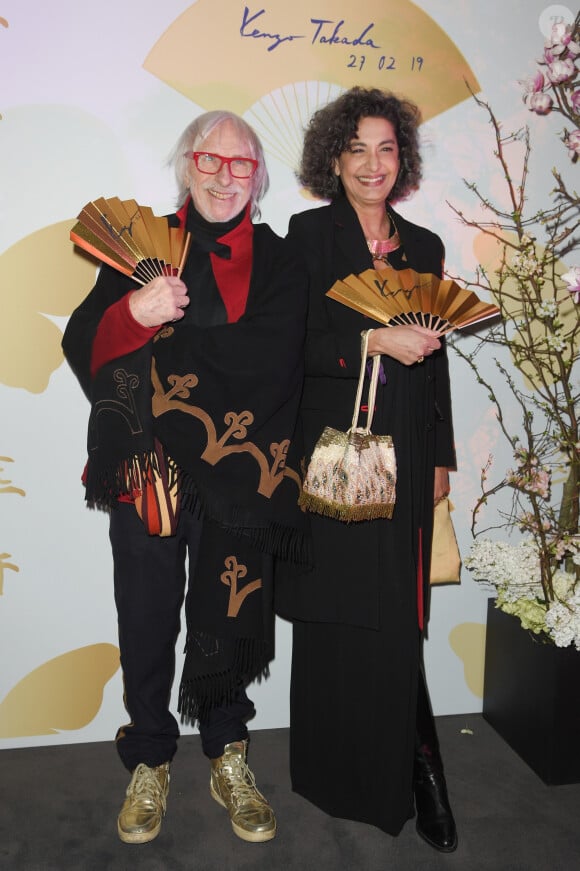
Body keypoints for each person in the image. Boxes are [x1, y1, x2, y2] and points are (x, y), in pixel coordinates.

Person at [62, 111, 308, 846]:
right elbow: (85, 340)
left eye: (241, 163)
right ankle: (149, 753)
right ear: (186, 165)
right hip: (149, 469)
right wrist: (134, 314)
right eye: (210, 158)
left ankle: (228, 748)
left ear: (258, 175)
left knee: (228, 611)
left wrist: (165, 339)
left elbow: (274, 358)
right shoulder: (137, 248)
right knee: (144, 611)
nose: (224, 175)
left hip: (240, 471)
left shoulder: (282, 259)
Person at [275, 87, 458, 852]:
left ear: (402, 159)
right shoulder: (308, 238)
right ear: (334, 160)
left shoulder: (425, 247)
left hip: (408, 454)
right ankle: (329, 768)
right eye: (357, 149)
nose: (372, 163)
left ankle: (412, 772)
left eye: (386, 148)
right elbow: (292, 348)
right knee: (333, 612)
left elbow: (439, 365)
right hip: (338, 453)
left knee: (394, 619)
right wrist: (369, 345)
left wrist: (442, 454)